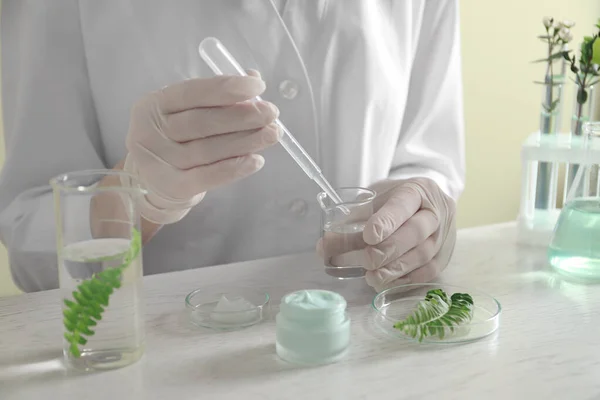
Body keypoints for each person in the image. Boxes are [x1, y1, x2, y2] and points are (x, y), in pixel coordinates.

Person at [0, 0, 465, 293]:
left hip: (362, 343)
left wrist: (419, 213)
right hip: (165, 365)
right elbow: (31, 255)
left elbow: (426, 158)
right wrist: (135, 197)